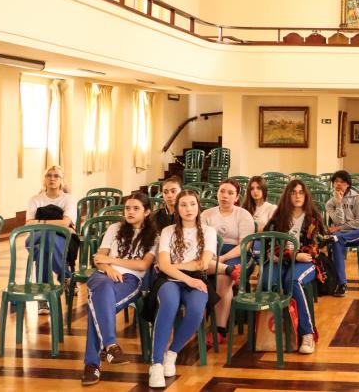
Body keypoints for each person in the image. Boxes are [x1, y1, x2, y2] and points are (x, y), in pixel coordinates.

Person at [80, 192, 158, 385]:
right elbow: (98, 259)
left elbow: (142, 266)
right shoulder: (115, 228)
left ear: (147, 212)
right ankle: (110, 346)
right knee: (102, 290)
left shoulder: (154, 237)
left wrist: (111, 261)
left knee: (96, 307)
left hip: (130, 280)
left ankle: (92, 365)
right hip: (102, 276)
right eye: (127, 208)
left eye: (136, 208)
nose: (130, 212)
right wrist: (107, 268)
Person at [149, 190, 217, 388]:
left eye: (192, 204)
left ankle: (172, 353)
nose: (189, 209)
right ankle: (157, 364)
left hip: (196, 279)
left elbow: (202, 264)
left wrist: (172, 266)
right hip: (169, 280)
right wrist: (180, 273)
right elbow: (164, 266)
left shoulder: (208, 231)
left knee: (196, 311)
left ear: (198, 206)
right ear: (177, 209)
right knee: (169, 305)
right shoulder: (168, 231)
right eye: (184, 205)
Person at [265, 179, 324, 354]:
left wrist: (296, 256)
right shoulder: (278, 217)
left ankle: (307, 333)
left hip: (305, 262)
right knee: (270, 281)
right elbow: (271, 244)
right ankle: (278, 331)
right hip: (281, 259)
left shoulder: (313, 218)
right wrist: (291, 255)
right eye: (293, 192)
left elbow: (314, 246)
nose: (297, 196)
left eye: (301, 192)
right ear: (287, 196)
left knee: (293, 280)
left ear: (306, 195)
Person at [200, 179, 253, 346]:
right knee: (197, 270)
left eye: (230, 193)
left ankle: (219, 329)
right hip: (211, 252)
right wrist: (212, 255)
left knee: (223, 276)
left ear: (236, 197)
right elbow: (200, 241)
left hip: (236, 254)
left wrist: (222, 259)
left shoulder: (243, 214)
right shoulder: (206, 214)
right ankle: (197, 323)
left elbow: (245, 245)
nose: (225, 196)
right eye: (222, 191)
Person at [26, 165, 78, 313]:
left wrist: (41, 222)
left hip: (63, 237)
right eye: (49, 175)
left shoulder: (68, 199)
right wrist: (53, 223)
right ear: (44, 179)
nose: (52, 178)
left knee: (42, 250)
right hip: (36, 237)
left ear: (62, 180)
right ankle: (66, 276)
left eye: (56, 176)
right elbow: (29, 223)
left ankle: (42, 298)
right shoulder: (35, 199)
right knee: (45, 239)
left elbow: (66, 222)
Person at [323, 170, 359, 297]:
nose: (338, 184)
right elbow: (338, 221)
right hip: (341, 236)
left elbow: (358, 223)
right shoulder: (330, 204)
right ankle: (342, 285)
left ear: (348, 184)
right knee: (336, 241)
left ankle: (338, 238)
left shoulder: (358, 199)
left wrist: (340, 229)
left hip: (357, 234)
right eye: (336, 182)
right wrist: (339, 203)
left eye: (342, 181)